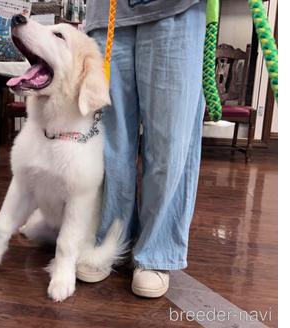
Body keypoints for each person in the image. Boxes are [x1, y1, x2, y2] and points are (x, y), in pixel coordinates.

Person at [77, 0, 207, 298]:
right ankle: (109, 239)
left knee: (169, 143)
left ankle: (157, 250)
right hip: (107, 14)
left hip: (178, 8)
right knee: (106, 143)